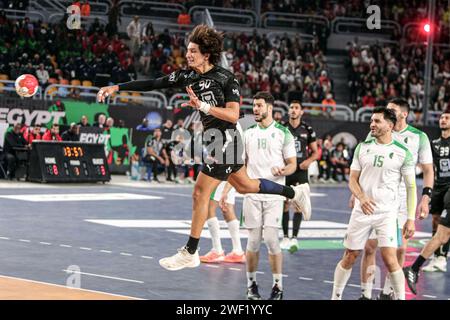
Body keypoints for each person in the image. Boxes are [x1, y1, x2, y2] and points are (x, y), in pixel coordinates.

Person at [97, 24, 309, 271]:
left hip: (228, 139)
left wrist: (203, 107)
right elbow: (153, 83)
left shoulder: (226, 79)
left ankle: (190, 251)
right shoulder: (187, 76)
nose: (188, 55)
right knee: (245, 185)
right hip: (215, 139)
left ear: (206, 54)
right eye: (187, 50)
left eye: (193, 51)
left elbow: (233, 115)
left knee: (199, 192)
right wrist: (117, 87)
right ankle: (296, 193)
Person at [331, 107, 416, 300]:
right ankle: (335, 297)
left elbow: (411, 188)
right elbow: (352, 179)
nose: (372, 124)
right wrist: (361, 197)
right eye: (371, 121)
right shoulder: (362, 147)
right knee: (350, 255)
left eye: (377, 121)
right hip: (362, 211)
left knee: (389, 257)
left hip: (387, 213)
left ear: (390, 125)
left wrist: (410, 218)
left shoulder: (403, 153)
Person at [358, 98, 434, 300]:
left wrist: (425, 198)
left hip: (402, 201)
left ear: (403, 114)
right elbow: (363, 162)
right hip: (376, 198)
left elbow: (428, 170)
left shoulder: (419, 137)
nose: (386, 112)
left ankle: (387, 293)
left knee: (399, 249)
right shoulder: (376, 131)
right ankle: (366, 294)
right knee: (369, 247)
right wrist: (357, 193)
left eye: (391, 110)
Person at [244, 92, 297, 300]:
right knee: (254, 241)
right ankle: (251, 285)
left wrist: (284, 171)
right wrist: (229, 190)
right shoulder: (248, 133)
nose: (255, 109)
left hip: (275, 194)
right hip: (253, 194)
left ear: (269, 108)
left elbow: (292, 164)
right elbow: (242, 165)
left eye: (258, 106)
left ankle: (278, 286)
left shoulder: (283, 133)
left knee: (272, 240)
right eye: (254, 106)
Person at [404, 110, 450, 294]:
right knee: (440, 229)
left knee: (443, 234)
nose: (443, 120)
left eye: (447, 117)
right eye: (442, 117)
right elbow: (427, 166)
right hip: (440, 187)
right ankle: (420, 265)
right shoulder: (434, 144)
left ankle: (436, 259)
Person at [280, 101, 319, 253]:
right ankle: (284, 237)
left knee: (298, 204)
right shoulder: (282, 128)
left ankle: (294, 238)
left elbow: (316, 152)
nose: (293, 110)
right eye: (291, 108)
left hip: (301, 170)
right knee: (284, 203)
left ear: (301, 112)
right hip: (287, 168)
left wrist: (308, 162)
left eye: (296, 108)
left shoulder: (307, 129)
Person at [200, 181, 245, 263]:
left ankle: (217, 251)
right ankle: (238, 251)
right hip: (230, 178)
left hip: (220, 176)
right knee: (227, 208)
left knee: (209, 208)